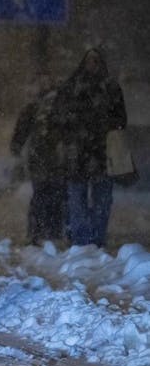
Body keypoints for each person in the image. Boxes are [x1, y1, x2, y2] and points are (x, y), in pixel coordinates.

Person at [54, 48, 127, 247]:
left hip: (101, 154)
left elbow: (121, 120)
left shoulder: (109, 88)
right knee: (78, 201)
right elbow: (58, 118)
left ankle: (94, 240)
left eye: (96, 61)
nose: (92, 65)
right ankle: (82, 240)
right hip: (78, 154)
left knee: (100, 201)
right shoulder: (72, 88)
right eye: (90, 61)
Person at [10, 74, 67, 245]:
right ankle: (51, 232)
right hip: (53, 158)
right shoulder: (60, 107)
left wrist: (17, 147)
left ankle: (38, 232)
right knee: (53, 195)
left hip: (41, 157)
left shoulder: (35, 108)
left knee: (42, 195)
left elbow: (21, 131)